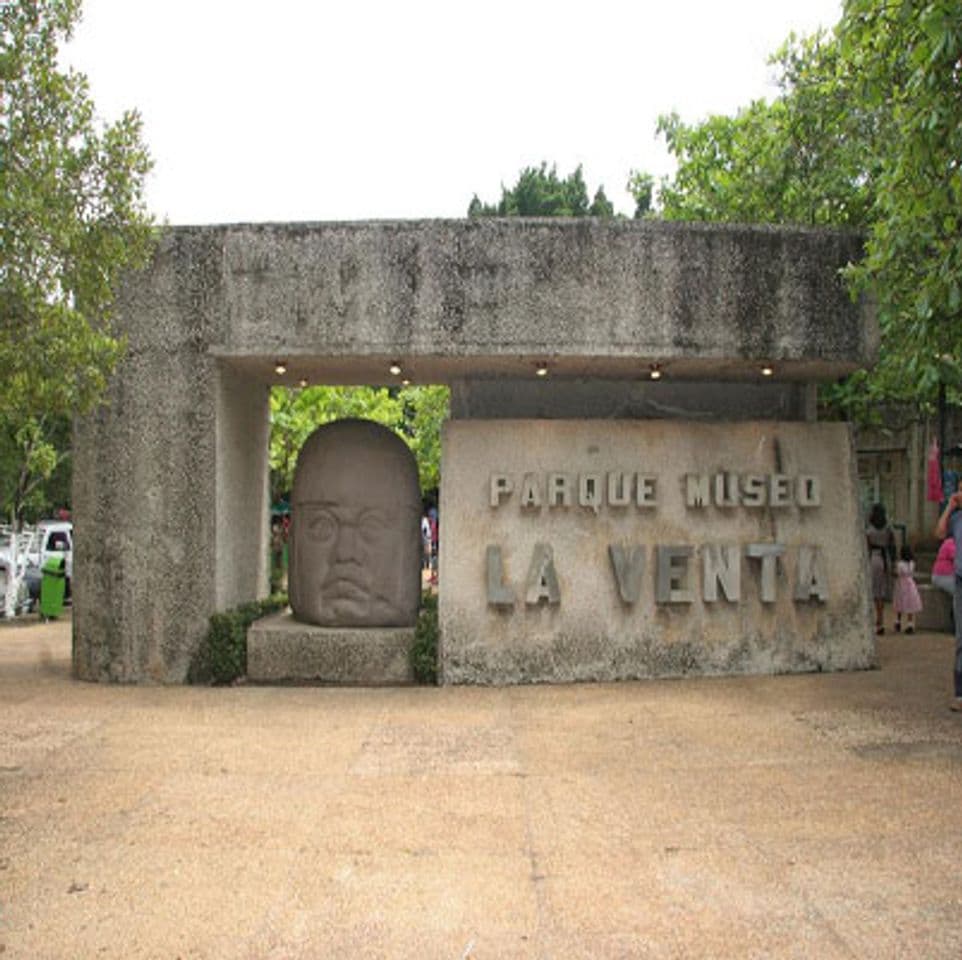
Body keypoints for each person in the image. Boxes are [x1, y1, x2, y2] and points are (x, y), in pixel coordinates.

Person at [934, 479, 962, 712]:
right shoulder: (956, 519)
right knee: (961, 639)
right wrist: (949, 507)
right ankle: (960, 693)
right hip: (960, 580)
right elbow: (939, 532)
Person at [866, 502, 896, 635]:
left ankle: (873, 621)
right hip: (885, 559)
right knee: (881, 591)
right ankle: (881, 620)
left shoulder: (869, 528)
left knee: (872, 590)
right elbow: (892, 545)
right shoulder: (888, 528)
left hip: (874, 558)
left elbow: (866, 547)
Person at [893, 544, 922, 635]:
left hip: (901, 584)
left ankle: (898, 621)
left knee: (900, 602)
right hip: (910, 583)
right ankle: (910, 624)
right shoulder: (912, 563)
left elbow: (898, 573)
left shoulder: (900, 564)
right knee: (910, 604)